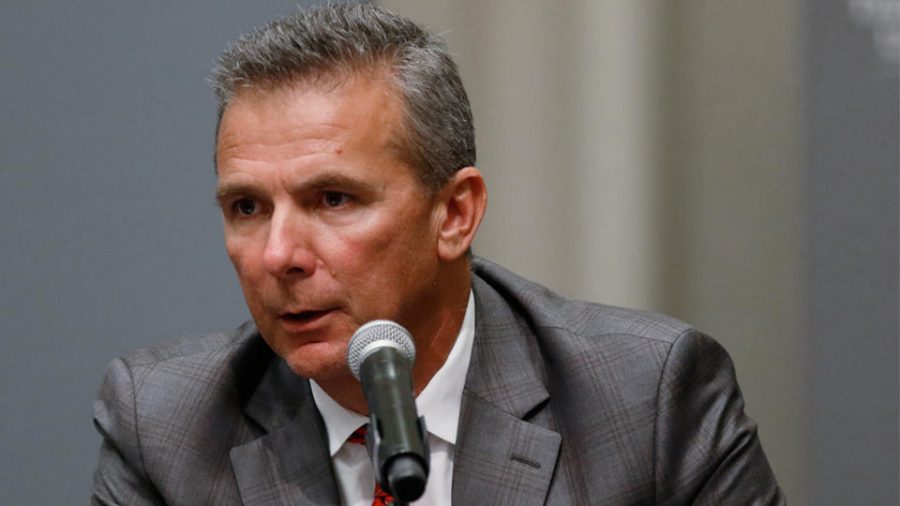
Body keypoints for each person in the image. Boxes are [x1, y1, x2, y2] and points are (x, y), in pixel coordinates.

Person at [92, 4, 785, 505]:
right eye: (247, 208)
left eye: (333, 199)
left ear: (455, 214)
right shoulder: (169, 425)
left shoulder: (645, 402)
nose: (279, 255)